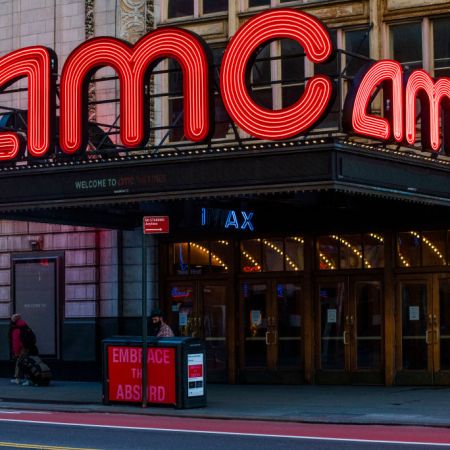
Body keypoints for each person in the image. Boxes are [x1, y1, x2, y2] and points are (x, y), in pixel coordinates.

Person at [8, 313, 38, 386]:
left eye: (12, 319)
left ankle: (28, 379)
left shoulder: (16, 328)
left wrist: (16, 352)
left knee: (23, 364)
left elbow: (16, 341)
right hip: (29, 347)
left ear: (14, 320)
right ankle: (18, 378)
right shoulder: (25, 325)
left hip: (22, 349)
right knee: (23, 363)